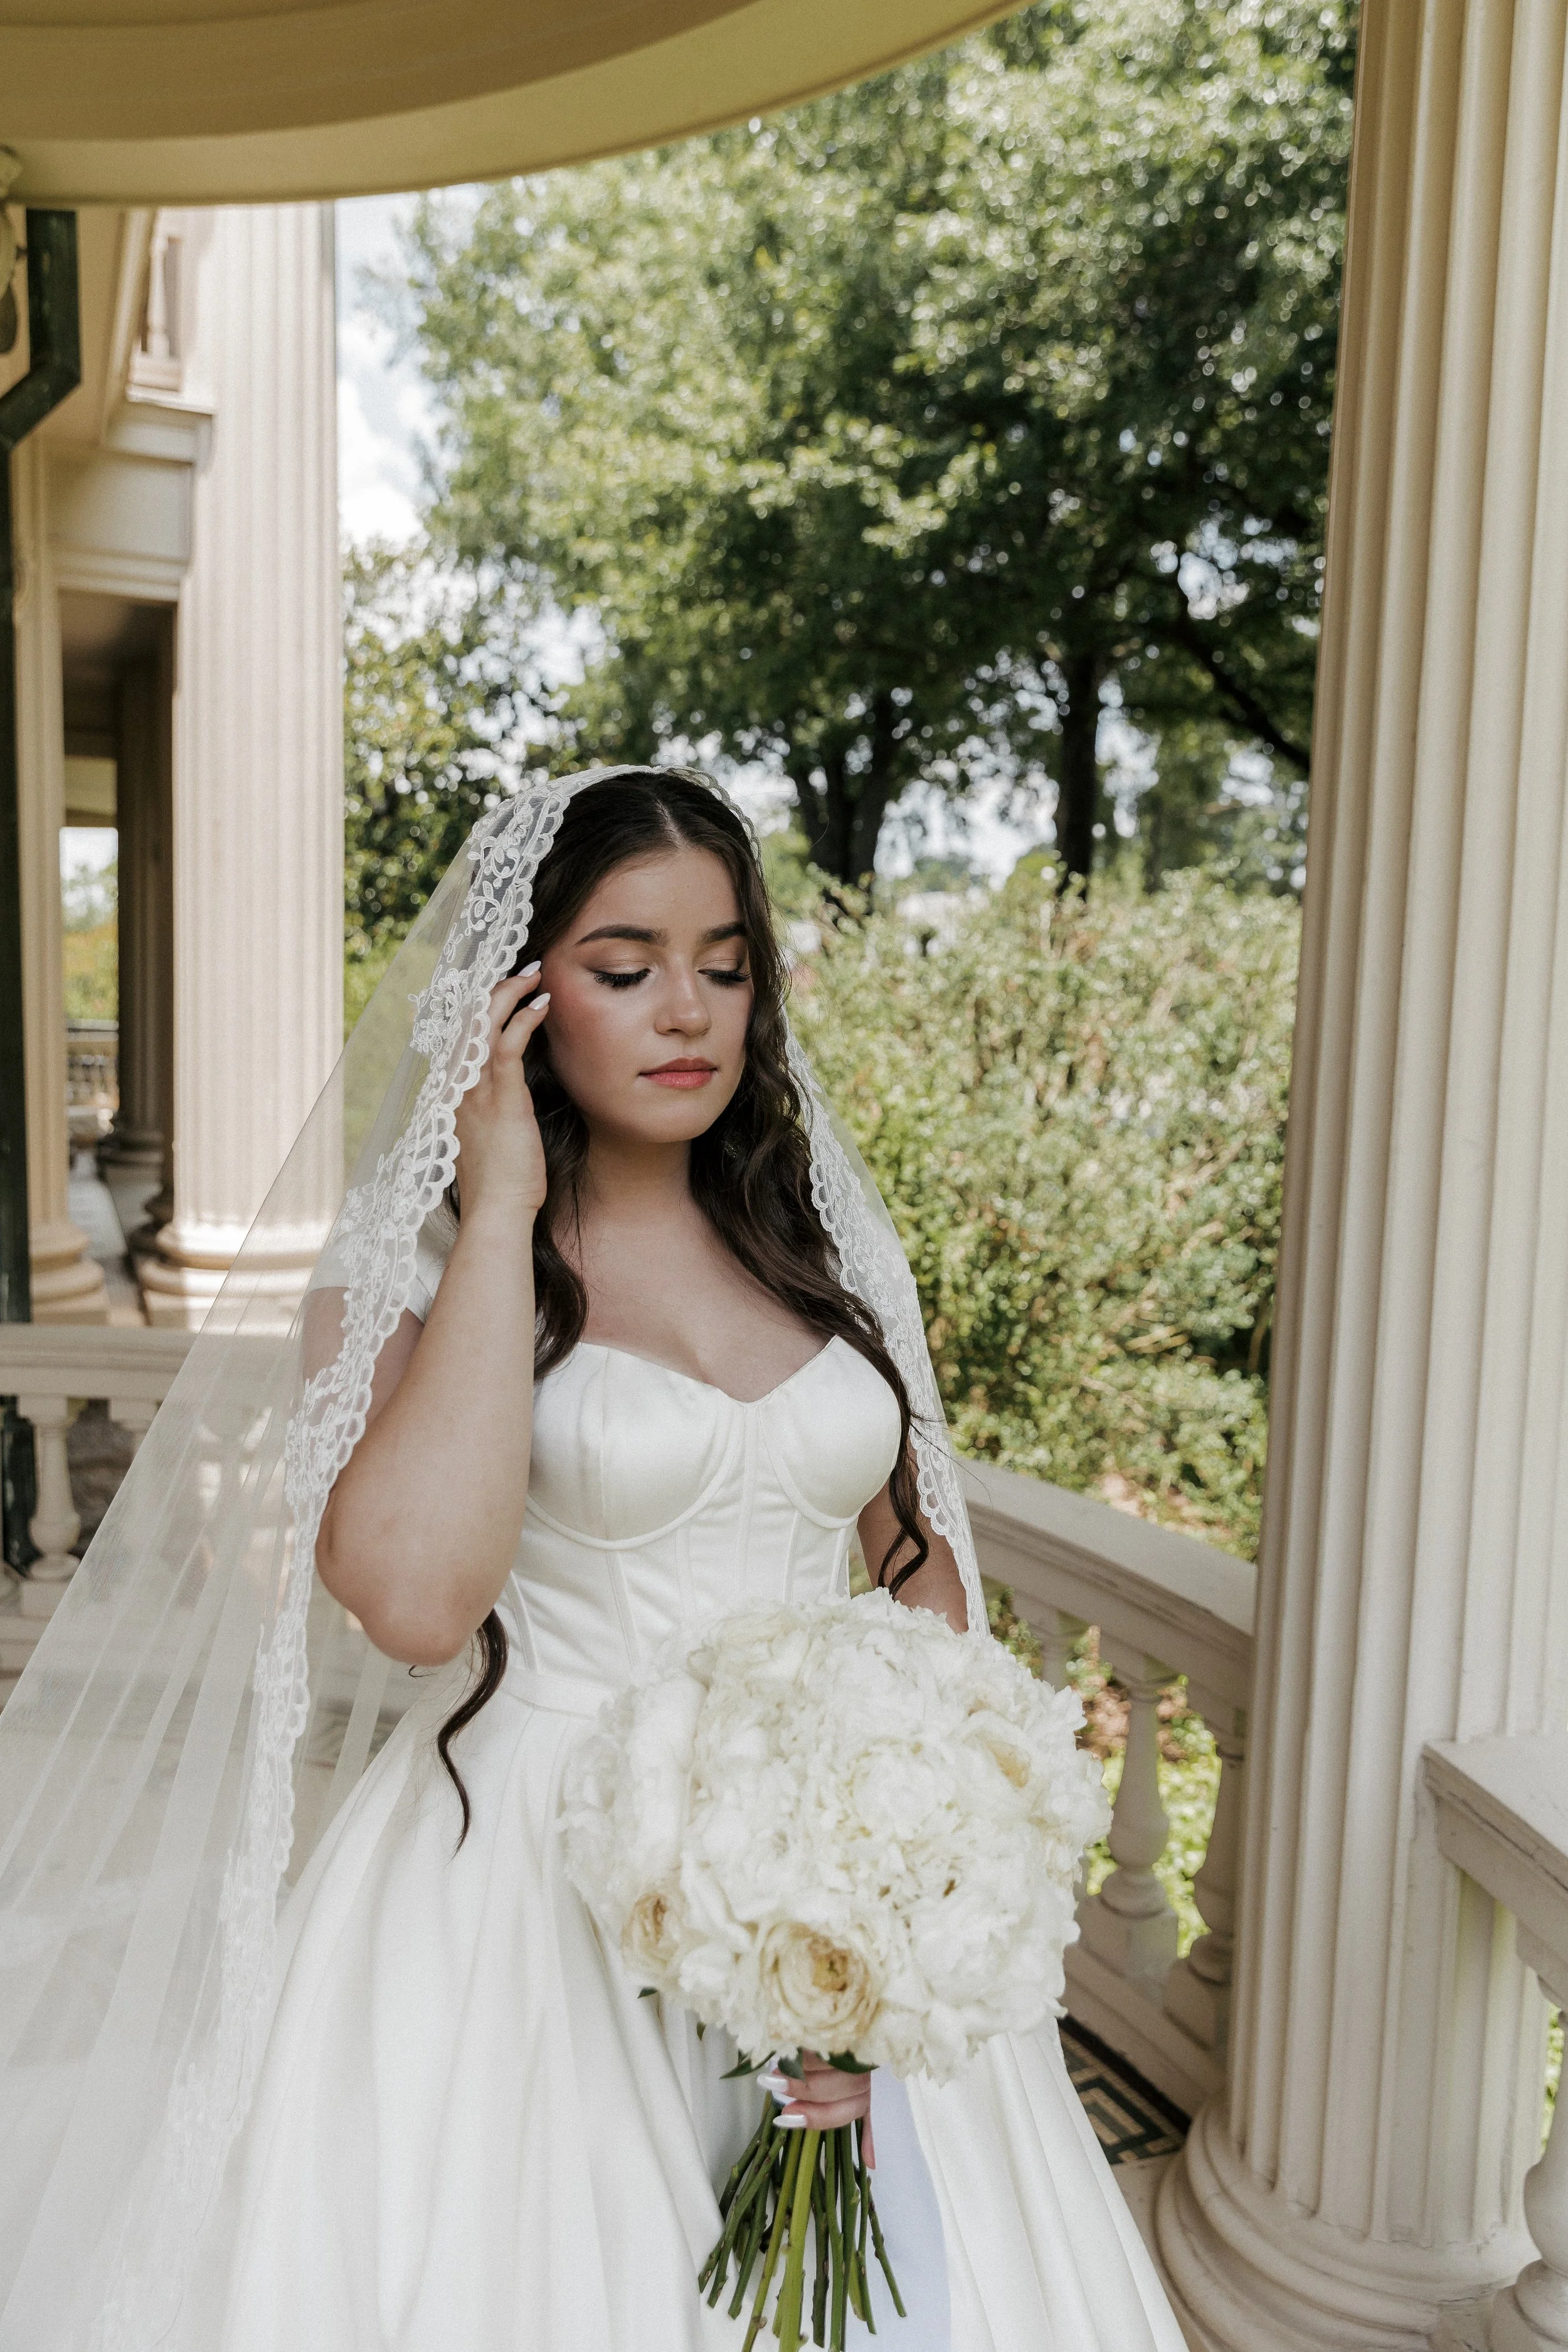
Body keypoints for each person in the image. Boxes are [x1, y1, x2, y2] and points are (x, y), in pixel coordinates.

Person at [0, 767, 1187, 2351]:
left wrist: (895, 1879)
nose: (684, 1009)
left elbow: (913, 1559)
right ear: (521, 996)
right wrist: (498, 1215)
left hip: (823, 1894)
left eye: (723, 963)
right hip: (527, 1894)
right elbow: (418, 1604)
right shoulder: (395, 1292)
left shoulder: (804, 1251)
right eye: (625, 968)